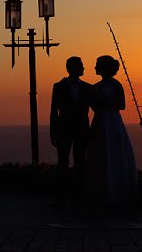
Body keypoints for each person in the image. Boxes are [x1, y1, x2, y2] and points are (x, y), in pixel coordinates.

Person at [85, 55, 137, 205]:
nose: (94, 67)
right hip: (100, 121)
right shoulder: (95, 86)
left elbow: (121, 104)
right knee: (100, 152)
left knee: (112, 151)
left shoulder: (115, 85)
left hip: (111, 121)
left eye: (97, 65)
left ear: (104, 67)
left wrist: (104, 103)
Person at [50, 56, 93, 208]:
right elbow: (54, 111)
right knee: (63, 163)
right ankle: (60, 197)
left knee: (80, 163)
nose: (84, 68)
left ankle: (78, 197)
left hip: (81, 129)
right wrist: (53, 132)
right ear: (72, 68)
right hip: (64, 129)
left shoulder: (89, 87)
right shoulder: (58, 86)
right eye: (81, 66)